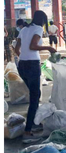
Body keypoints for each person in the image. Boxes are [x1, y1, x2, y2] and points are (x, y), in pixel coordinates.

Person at [14, 11, 56, 144]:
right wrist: (48, 48)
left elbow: (16, 48)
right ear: (42, 21)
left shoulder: (25, 28)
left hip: (22, 65)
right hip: (32, 65)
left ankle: (33, 122)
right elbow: (33, 46)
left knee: (34, 95)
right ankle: (27, 132)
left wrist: (23, 57)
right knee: (34, 97)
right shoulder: (37, 28)